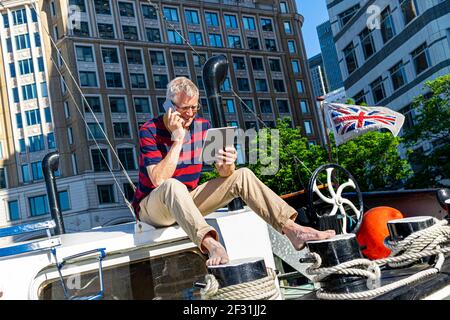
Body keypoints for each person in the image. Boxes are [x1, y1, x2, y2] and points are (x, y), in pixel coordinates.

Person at [132, 77, 335, 266]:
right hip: (153, 207)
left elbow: (225, 173)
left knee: (242, 175)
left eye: (194, 107)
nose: (190, 114)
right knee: (172, 185)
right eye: (185, 109)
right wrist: (178, 139)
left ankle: (293, 230)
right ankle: (212, 245)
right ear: (169, 107)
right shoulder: (149, 129)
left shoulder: (203, 127)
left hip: (186, 200)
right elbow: (158, 179)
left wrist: (227, 164)